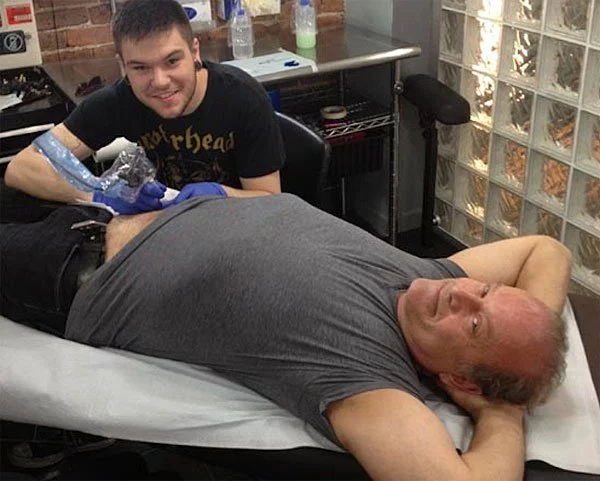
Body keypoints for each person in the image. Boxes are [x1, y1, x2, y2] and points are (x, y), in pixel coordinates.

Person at [1, 194, 571, 481]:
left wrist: (502, 412)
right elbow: (549, 251)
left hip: (63, 274)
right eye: (487, 292)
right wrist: (529, 336)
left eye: (475, 325)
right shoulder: (436, 277)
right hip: (98, 218)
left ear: (459, 380)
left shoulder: (367, 379)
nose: (465, 296)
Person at [4, 0, 285, 216]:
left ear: (194, 52)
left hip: (237, 224)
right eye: (140, 68)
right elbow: (22, 167)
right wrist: (99, 195)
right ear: (123, 65)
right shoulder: (120, 100)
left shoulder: (242, 98)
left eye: (172, 61)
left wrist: (218, 194)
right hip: (167, 225)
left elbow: (271, 200)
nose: (160, 82)